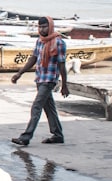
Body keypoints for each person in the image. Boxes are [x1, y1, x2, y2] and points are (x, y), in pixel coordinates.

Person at [10, 16, 68, 146]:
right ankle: (58, 135)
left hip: (49, 79)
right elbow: (33, 58)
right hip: (40, 78)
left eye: (44, 27)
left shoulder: (58, 43)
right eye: (40, 27)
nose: (41, 29)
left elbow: (62, 65)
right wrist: (20, 73)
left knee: (36, 106)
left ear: (50, 27)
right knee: (49, 108)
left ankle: (26, 137)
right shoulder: (40, 41)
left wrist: (64, 85)